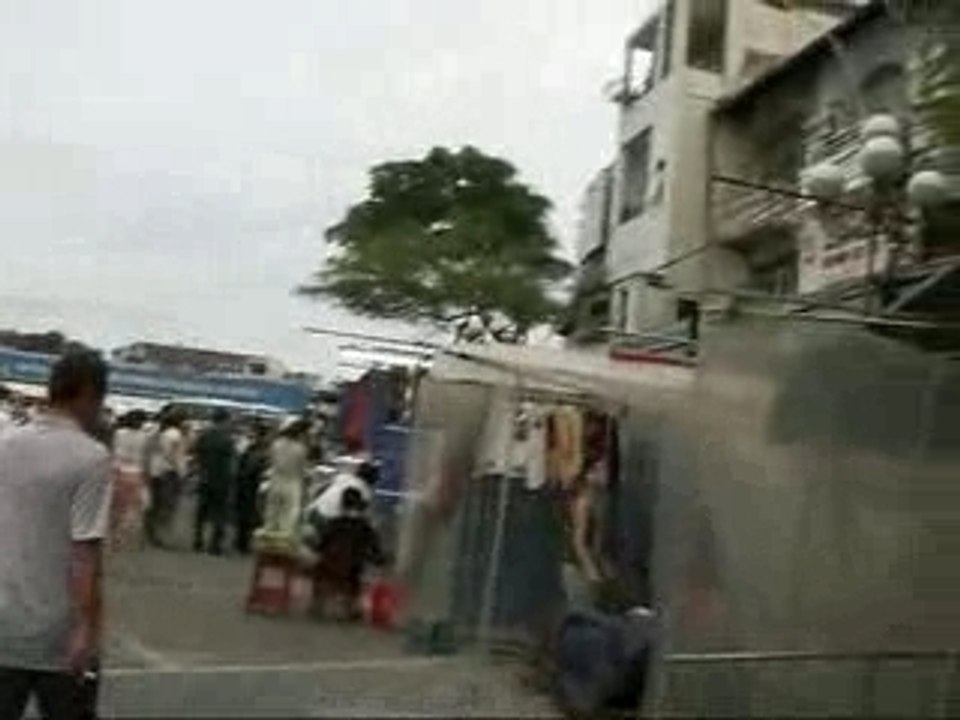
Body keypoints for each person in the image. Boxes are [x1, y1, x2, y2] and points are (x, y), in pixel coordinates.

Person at [0, 350, 112, 719]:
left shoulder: (6, 443)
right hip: (58, 635)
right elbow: (85, 553)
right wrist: (86, 630)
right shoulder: (91, 457)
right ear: (89, 394)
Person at [308, 487, 386, 620]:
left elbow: (320, 545)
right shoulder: (366, 528)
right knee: (357, 570)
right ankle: (351, 606)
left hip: (328, 567)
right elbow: (375, 551)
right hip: (351, 572)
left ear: (342, 505)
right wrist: (380, 560)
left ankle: (318, 603)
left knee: (320, 565)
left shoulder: (334, 523)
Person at [192, 408, 237, 555]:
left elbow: (196, 453)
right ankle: (214, 545)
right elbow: (231, 463)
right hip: (221, 480)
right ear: (224, 420)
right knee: (219, 513)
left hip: (205, 477)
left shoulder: (204, 435)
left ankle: (197, 540)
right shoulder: (228, 439)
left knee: (201, 511)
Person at [259, 418, 309, 544]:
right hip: (292, 484)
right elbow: (302, 470)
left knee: (271, 512)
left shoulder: (276, 444)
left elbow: (270, 462)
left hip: (276, 482)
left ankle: (267, 539)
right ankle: (282, 543)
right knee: (288, 516)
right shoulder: (300, 449)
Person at [144, 411, 188, 548]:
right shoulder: (176, 435)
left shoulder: (160, 433)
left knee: (156, 503)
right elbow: (173, 456)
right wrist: (181, 472)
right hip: (170, 473)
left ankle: (151, 532)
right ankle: (161, 537)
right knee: (167, 505)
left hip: (157, 471)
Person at [110, 410, 149, 550]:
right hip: (135, 474)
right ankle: (120, 536)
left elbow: (113, 451)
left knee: (115, 507)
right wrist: (146, 479)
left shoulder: (118, 433)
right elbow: (145, 459)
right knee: (130, 508)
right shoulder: (145, 437)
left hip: (116, 472)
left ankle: (112, 532)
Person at [234, 421, 270, 555]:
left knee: (244, 514)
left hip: (245, 483)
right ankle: (242, 544)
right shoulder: (259, 449)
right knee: (247, 515)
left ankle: (240, 541)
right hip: (250, 484)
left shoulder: (252, 447)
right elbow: (252, 467)